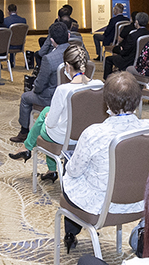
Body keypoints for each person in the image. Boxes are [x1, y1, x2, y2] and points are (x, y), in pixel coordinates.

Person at [59, 72, 149, 251]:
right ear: (138, 100)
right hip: (141, 203)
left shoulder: (93, 133)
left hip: (102, 207)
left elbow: (74, 171)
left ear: (107, 103)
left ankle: (71, 232)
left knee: (69, 168)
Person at [10, 43, 100, 178]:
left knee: (44, 120)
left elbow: (51, 124)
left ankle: (27, 148)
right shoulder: (99, 85)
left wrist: (48, 116)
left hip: (65, 137)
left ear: (67, 66)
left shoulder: (63, 90)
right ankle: (49, 170)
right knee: (47, 111)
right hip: (87, 135)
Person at [13, 22, 71, 142]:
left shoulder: (49, 59)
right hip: (74, 94)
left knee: (25, 97)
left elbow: (39, 85)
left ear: (52, 40)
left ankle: (24, 132)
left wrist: (34, 89)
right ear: (68, 36)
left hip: (52, 97)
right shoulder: (80, 53)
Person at [105, 11, 149, 77]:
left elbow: (125, 52)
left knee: (108, 59)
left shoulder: (133, 35)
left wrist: (121, 50)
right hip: (143, 60)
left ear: (136, 22)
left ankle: (107, 79)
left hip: (130, 61)